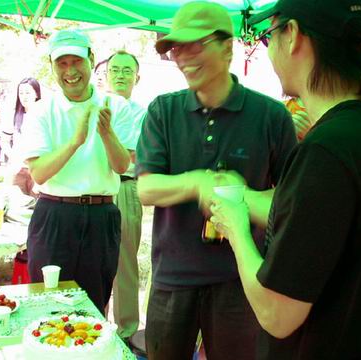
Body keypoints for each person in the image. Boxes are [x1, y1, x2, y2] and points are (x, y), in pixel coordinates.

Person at [209, 0, 361, 359]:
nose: (269, 49)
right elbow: (317, 218)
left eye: (269, 35)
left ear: (292, 36)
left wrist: (237, 231)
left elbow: (277, 314)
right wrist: (241, 197)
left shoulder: (327, 150)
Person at [136, 2, 297, 359]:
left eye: (196, 44)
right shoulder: (163, 111)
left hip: (242, 278)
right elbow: (145, 188)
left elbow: (290, 203)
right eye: (177, 48)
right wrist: (198, 183)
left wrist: (241, 198)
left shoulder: (271, 116)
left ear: (228, 47)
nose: (183, 57)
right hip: (172, 277)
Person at [20, 29, 132, 315]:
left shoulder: (117, 107)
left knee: (94, 306)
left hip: (101, 215)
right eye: (62, 63)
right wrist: (75, 141)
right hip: (54, 215)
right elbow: (39, 173)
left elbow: (122, 166)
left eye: (77, 61)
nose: (70, 71)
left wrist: (106, 133)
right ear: (52, 67)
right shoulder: (42, 110)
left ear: (91, 61)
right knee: (46, 304)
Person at [106, 50, 146, 341]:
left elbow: (129, 154)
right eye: (115, 70)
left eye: (126, 71)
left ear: (137, 77)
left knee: (125, 264)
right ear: (105, 75)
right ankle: (92, 324)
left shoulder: (141, 113)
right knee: (92, 261)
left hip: (124, 187)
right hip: (92, 189)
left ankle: (127, 331)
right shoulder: (94, 105)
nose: (120, 75)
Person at [4, 77, 42, 197]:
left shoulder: (45, 116)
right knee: (15, 208)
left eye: (27, 92)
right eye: (21, 93)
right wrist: (14, 157)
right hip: (18, 170)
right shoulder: (14, 116)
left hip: (38, 171)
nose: (24, 96)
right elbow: (4, 142)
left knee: (37, 208)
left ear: (36, 94)